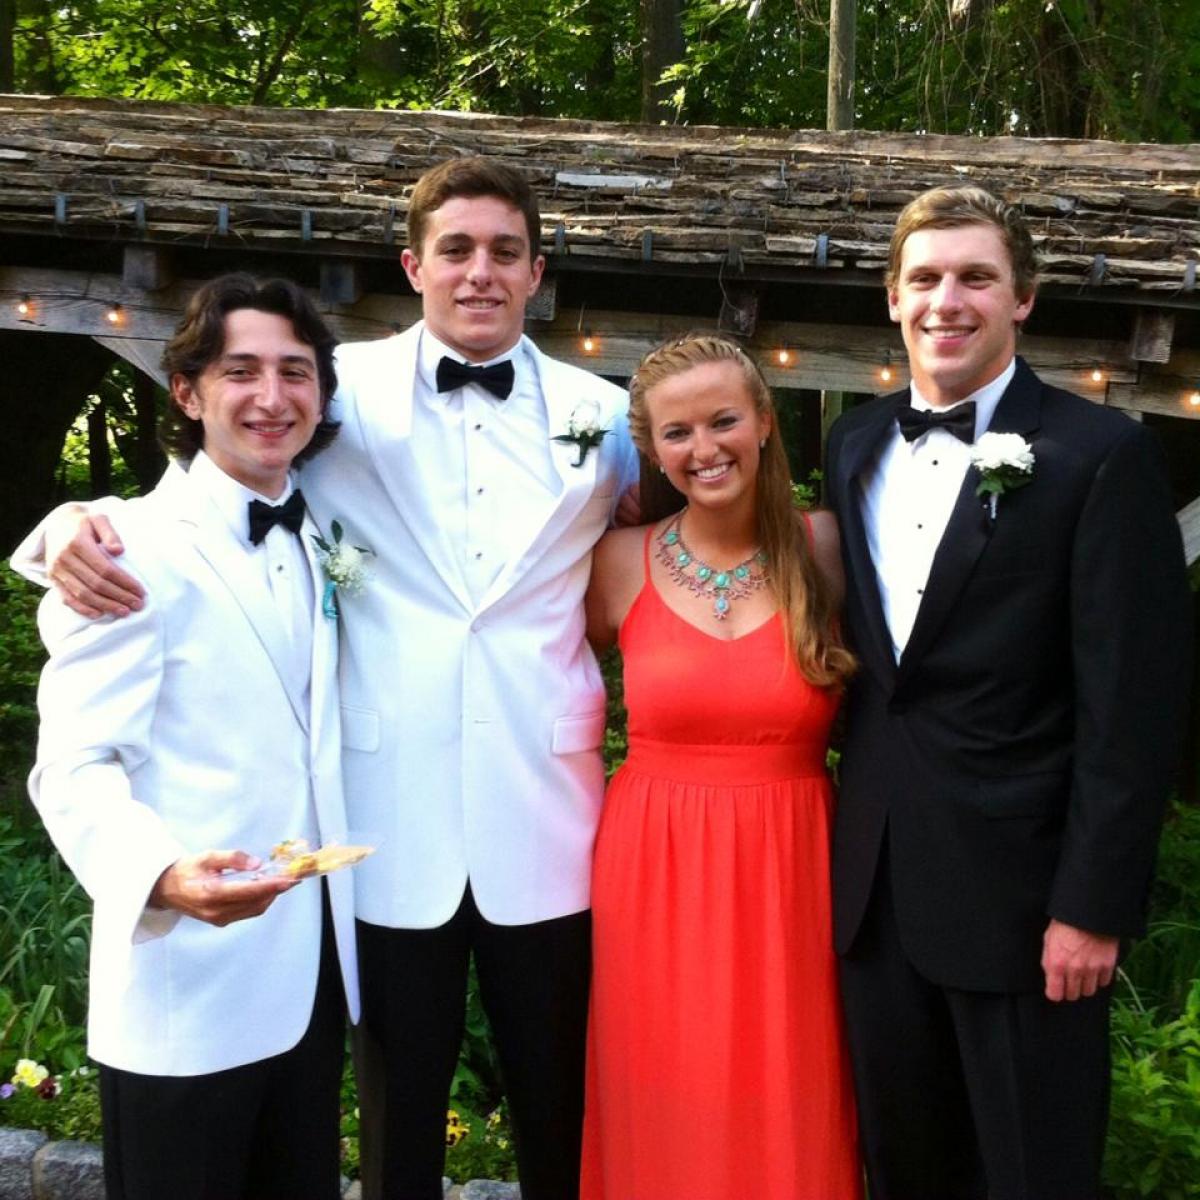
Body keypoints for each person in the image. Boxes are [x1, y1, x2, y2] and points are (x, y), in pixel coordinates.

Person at [26, 158, 639, 1200]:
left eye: (503, 252)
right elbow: (209, 496)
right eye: (455, 250)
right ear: (415, 265)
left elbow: (655, 549)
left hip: (549, 810)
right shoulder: (327, 384)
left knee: (562, 1100)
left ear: (537, 272)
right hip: (379, 817)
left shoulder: (605, 415)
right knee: (397, 1113)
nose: (479, 272)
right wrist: (63, 537)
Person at [825, 184, 1193, 1200]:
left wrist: (1092, 906)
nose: (949, 300)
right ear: (893, 299)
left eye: (975, 277)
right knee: (905, 1171)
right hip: (876, 895)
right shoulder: (852, 445)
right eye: (926, 279)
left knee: (1035, 1173)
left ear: (1021, 299)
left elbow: (1135, 707)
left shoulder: (1099, 456)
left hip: (1028, 907)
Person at [13, 274, 361, 1200]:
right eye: (240, 370)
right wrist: (159, 875)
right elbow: (75, 767)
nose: (272, 396)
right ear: (187, 391)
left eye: (296, 371)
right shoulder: (122, 545)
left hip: (311, 978)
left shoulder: (332, 526)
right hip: (186, 982)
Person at [580, 333, 862, 1199]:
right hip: (653, 867)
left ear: (766, 423)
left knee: (797, 1081)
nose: (703, 449)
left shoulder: (827, 550)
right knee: (666, 1080)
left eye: (723, 420)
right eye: (676, 433)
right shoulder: (615, 563)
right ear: (652, 451)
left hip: (798, 863)